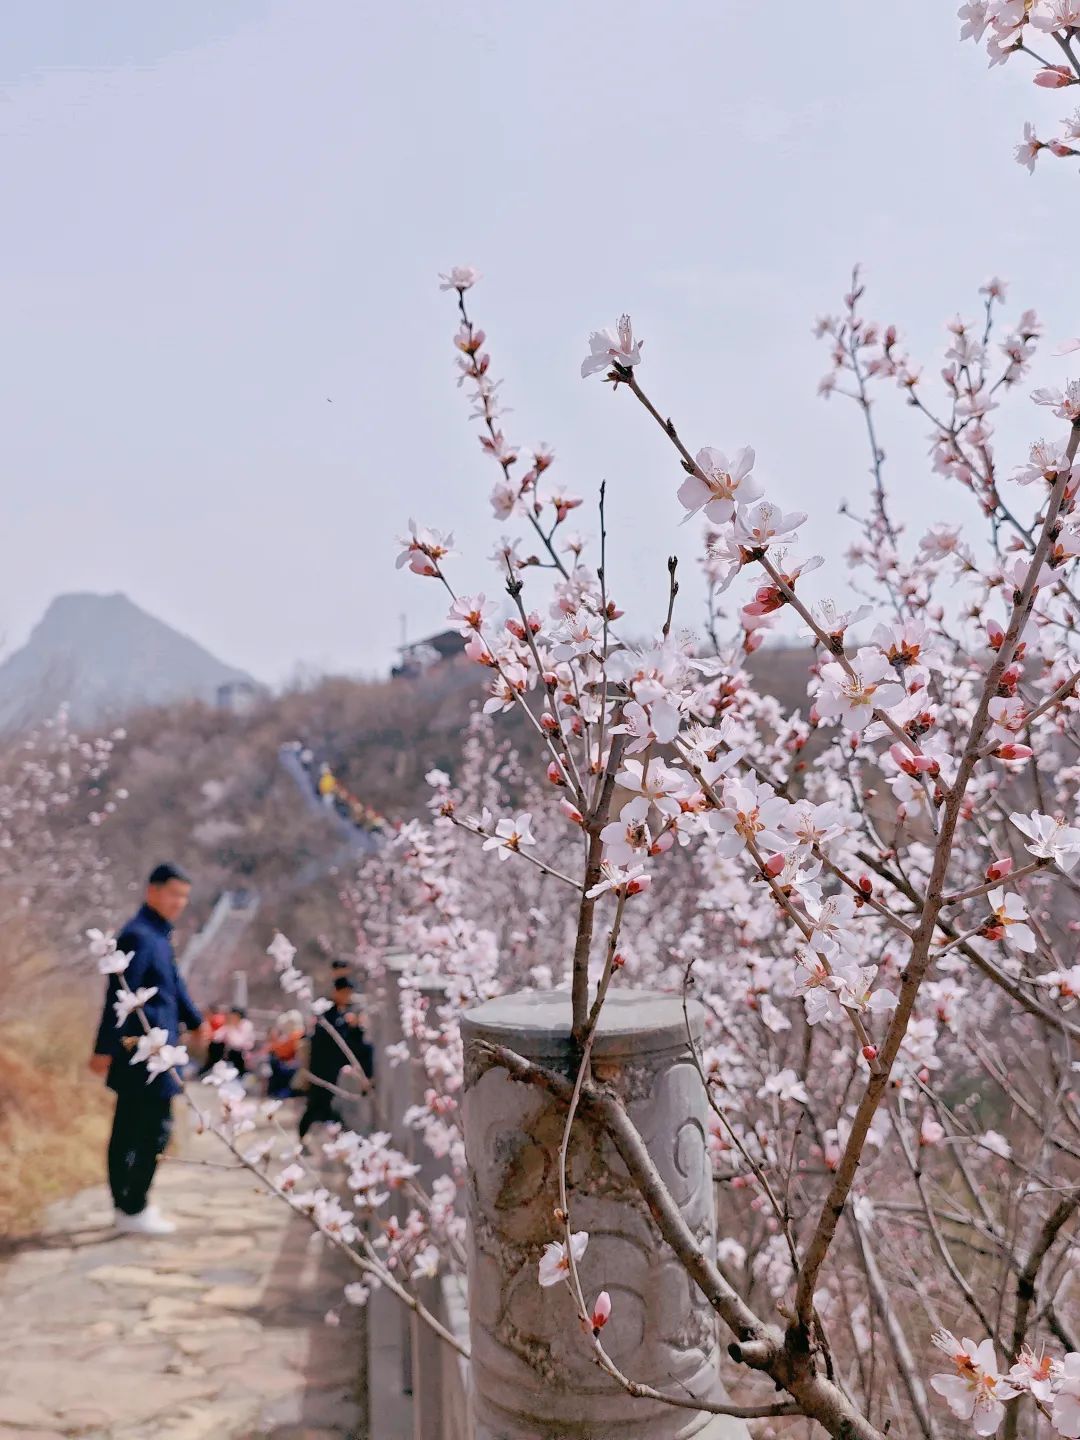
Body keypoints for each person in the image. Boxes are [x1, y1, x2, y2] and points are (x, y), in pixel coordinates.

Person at [90, 862, 205, 1236]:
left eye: (184, 897)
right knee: (146, 1129)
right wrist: (105, 1047)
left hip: (157, 1051)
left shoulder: (158, 935)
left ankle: (129, 1204)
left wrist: (197, 1021)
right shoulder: (138, 936)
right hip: (141, 1053)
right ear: (152, 891)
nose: (179, 903)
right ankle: (131, 1205)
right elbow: (119, 997)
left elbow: (173, 987)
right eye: (174, 894)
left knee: (139, 1127)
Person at [298, 976, 373, 1143]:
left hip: (336, 1066)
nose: (347, 997)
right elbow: (325, 1036)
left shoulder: (346, 1012)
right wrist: (345, 1024)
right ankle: (303, 1135)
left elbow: (353, 1042)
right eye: (345, 993)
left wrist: (355, 1026)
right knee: (316, 1103)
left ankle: (335, 1136)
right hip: (321, 1066)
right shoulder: (326, 1012)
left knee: (327, 1104)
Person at [267, 1010, 304, 1098]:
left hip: (293, 1067)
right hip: (290, 1064)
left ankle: (278, 1094)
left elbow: (279, 1050)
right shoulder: (294, 1034)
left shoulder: (297, 1034)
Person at [222, 1007, 255, 1077]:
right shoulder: (230, 1024)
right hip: (231, 1052)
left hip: (243, 1055)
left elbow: (238, 1043)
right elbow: (217, 1037)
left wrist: (231, 1029)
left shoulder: (246, 1025)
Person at [200, 1004, 227, 1074]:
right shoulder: (221, 1018)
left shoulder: (217, 1018)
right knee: (212, 1061)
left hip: (217, 1043)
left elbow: (214, 1033)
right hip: (217, 1043)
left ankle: (203, 1073)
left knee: (212, 1061)